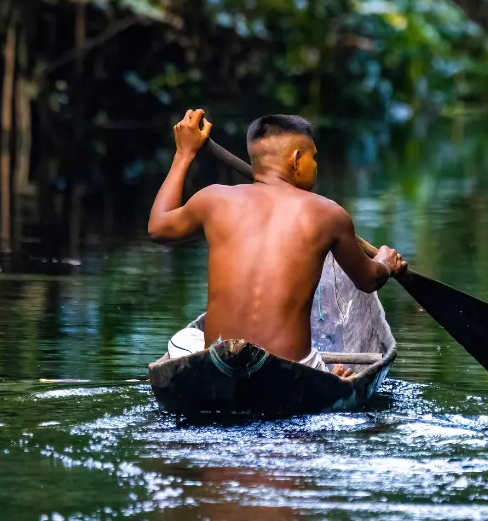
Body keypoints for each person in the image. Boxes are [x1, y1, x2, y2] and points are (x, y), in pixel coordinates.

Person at [147, 108, 407, 376]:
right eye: (313, 158)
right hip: (292, 370)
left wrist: (183, 155)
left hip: (219, 363)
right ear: (295, 160)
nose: (316, 166)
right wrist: (385, 262)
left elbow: (158, 228)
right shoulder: (329, 214)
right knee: (322, 370)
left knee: (185, 341)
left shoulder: (213, 199)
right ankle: (326, 377)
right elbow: (368, 280)